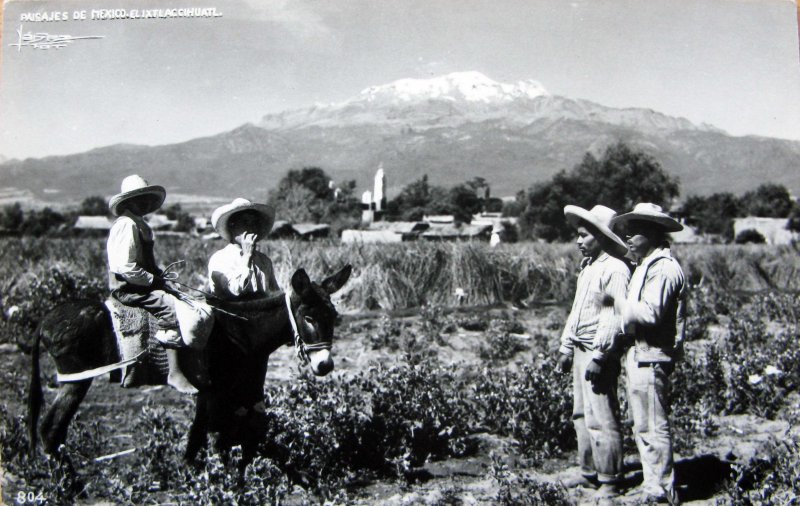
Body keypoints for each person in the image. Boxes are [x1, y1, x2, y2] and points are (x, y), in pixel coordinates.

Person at [603, 202, 686, 505]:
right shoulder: (647, 265)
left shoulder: (662, 268)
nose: (628, 237)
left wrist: (616, 302)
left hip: (652, 356)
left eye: (635, 231)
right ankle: (656, 484)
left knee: (652, 424)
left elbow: (649, 314)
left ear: (652, 232)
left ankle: (660, 490)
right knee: (644, 424)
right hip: (642, 353)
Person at [557, 204, 631, 502]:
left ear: (600, 236)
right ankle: (589, 472)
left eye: (584, 235)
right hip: (580, 347)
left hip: (599, 350)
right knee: (581, 414)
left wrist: (601, 356)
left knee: (602, 415)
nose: (579, 241)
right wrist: (566, 345)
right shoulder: (589, 268)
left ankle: (610, 478)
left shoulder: (615, 269)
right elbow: (578, 311)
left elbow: (612, 317)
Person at [106, 174, 196, 394]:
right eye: (139, 199)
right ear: (127, 202)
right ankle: (174, 372)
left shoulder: (139, 224)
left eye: (147, 199)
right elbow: (125, 267)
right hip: (128, 289)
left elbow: (145, 263)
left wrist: (162, 278)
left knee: (181, 296)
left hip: (139, 285)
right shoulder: (126, 225)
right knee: (171, 307)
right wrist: (154, 281)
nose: (145, 203)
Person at [208, 198, 279, 301]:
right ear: (232, 226)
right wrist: (247, 257)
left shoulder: (264, 261)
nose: (250, 228)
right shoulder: (220, 259)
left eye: (254, 223)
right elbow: (235, 290)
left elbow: (275, 296)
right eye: (245, 222)